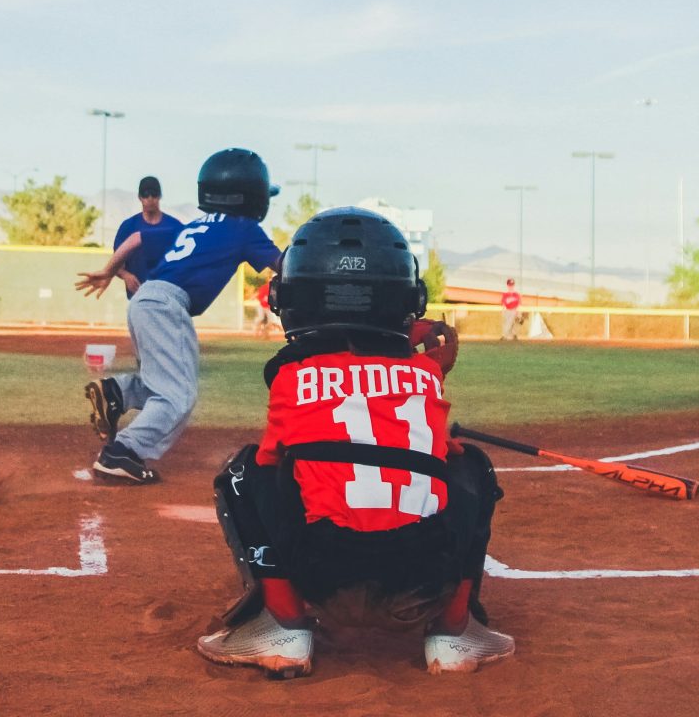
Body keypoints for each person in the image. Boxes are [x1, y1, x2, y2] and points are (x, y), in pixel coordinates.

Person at [195, 207, 512, 678]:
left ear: (293, 299)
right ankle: (453, 634)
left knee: (245, 470)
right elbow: (397, 398)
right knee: (472, 467)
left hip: (319, 577)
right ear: (408, 299)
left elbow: (271, 458)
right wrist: (421, 361)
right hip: (421, 581)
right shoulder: (427, 376)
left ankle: (284, 627)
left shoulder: (289, 376)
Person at [77, 148, 282, 485]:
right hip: (166, 305)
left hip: (145, 299)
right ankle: (122, 453)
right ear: (252, 197)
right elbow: (283, 265)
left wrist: (108, 271)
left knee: (163, 380)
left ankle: (118, 393)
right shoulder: (243, 227)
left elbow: (136, 238)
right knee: (177, 395)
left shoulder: (198, 225)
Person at [111, 176, 184, 297]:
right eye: (146, 194)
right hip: (138, 297)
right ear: (140, 197)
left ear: (159, 196)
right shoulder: (128, 226)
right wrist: (126, 276)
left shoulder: (174, 227)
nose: (150, 198)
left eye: (154, 194)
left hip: (168, 297)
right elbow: (116, 263)